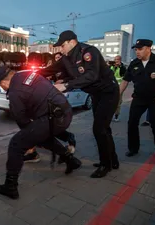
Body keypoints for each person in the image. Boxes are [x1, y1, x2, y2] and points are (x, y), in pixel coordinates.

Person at [37, 30, 120, 178]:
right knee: (104, 129)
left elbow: (91, 75)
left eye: (62, 46)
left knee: (99, 129)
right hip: (96, 94)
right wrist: (30, 74)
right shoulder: (66, 58)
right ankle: (112, 160)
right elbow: (49, 70)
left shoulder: (88, 52)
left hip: (109, 92)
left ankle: (105, 165)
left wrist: (66, 85)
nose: (60, 49)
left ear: (72, 42)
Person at [0, 66, 82, 199]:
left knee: (16, 144)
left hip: (54, 117)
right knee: (39, 134)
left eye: (1, 86)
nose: (3, 88)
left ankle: (10, 186)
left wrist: (30, 138)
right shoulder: (29, 74)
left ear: (4, 82)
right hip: (64, 111)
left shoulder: (15, 91)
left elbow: (22, 121)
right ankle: (71, 160)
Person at [120, 39, 155, 157]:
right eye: (136, 49)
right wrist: (117, 96)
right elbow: (125, 81)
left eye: (140, 49)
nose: (137, 52)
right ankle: (133, 148)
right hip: (139, 98)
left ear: (149, 48)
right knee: (132, 123)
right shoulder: (134, 63)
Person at [111, 55, 126, 122]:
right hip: (111, 87)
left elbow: (124, 74)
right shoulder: (112, 66)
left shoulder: (122, 67)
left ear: (120, 60)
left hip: (119, 87)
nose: (116, 61)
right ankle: (109, 115)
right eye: (115, 59)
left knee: (118, 102)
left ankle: (116, 116)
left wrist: (120, 66)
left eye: (117, 59)